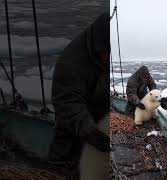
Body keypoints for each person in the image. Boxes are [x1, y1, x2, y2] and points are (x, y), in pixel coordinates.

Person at [49, 12, 109, 178]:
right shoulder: (71, 62)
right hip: (71, 135)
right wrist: (91, 132)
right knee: (65, 171)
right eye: (107, 53)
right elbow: (68, 104)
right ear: (100, 47)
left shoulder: (103, 55)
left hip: (95, 124)